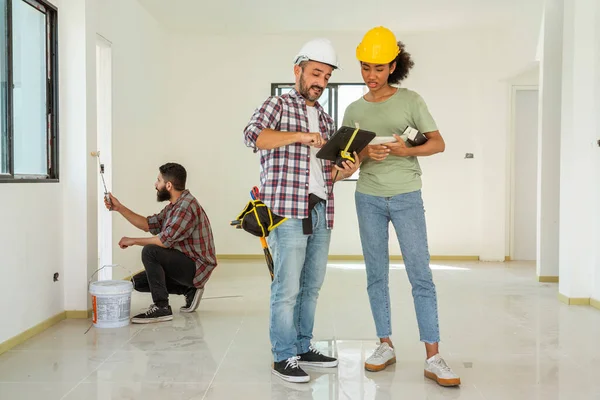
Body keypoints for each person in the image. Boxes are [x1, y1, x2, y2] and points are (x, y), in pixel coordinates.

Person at [341, 26, 461, 387]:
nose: (371, 75)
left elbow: (438, 143)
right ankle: (385, 344)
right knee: (376, 274)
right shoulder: (353, 108)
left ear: (393, 66)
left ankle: (434, 356)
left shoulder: (411, 100)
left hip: (407, 195)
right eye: (365, 68)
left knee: (420, 275)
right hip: (368, 197)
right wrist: (365, 153)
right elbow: (345, 159)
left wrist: (403, 150)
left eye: (378, 68)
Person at [243, 38, 359, 383]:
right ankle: (283, 356)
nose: (320, 82)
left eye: (326, 76)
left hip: (321, 210)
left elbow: (327, 173)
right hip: (287, 211)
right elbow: (253, 136)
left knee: (311, 287)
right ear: (299, 70)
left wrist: (344, 170)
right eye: (315, 73)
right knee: (287, 287)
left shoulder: (325, 118)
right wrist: (299, 136)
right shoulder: (277, 104)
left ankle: (303, 346)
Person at [104, 162, 217, 324]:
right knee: (138, 283)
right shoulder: (173, 206)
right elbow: (147, 224)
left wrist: (133, 240)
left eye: (158, 180)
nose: (155, 185)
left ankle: (161, 307)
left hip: (197, 266)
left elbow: (164, 241)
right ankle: (188, 289)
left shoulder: (185, 206)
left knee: (151, 251)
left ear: (168, 185)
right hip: (184, 262)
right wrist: (119, 208)